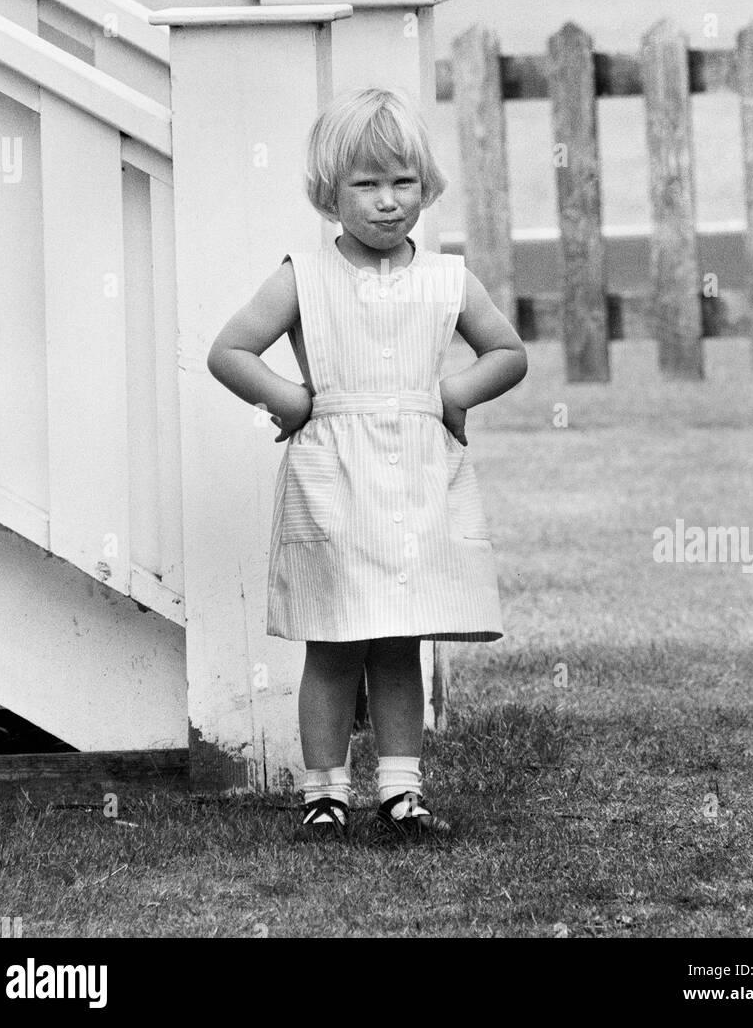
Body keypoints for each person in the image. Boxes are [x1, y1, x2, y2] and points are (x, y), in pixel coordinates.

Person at [206, 87, 528, 841]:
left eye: (403, 184)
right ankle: (324, 791)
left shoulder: (448, 279)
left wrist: (452, 393)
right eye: (367, 185)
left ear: (426, 185)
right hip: (334, 483)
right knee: (336, 637)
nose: (388, 203)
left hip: (416, 480)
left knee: (400, 636)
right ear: (330, 193)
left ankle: (400, 789)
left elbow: (508, 353)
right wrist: (288, 400)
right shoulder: (304, 277)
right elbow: (230, 350)